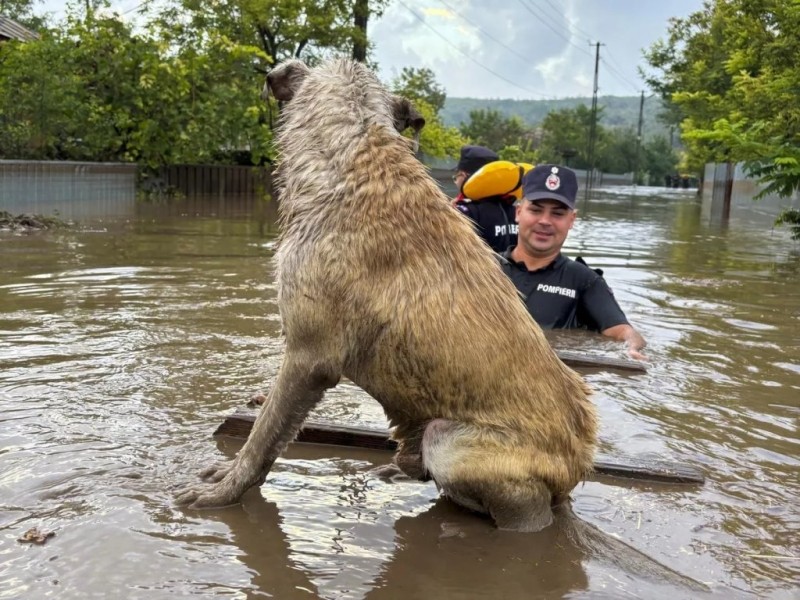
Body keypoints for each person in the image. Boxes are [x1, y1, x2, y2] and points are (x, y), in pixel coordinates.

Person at [499, 164, 647, 359]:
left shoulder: (583, 280)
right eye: (535, 210)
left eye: (558, 214)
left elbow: (622, 331)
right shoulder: (483, 267)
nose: (545, 221)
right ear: (518, 213)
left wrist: (632, 348)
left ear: (572, 219)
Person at [452, 145, 519, 253]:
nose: (455, 181)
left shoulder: (467, 211)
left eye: (456, 177)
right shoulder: (515, 210)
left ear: (464, 176)